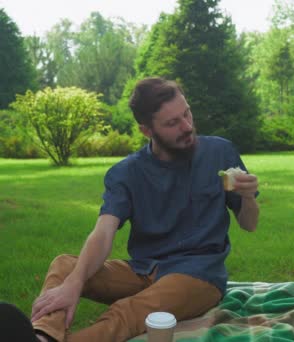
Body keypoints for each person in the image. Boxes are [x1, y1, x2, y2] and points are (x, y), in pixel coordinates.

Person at [26, 77, 260, 342]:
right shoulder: (126, 173)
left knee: (128, 312)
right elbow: (103, 232)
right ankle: (43, 335)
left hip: (198, 275)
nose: (187, 126)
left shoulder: (220, 151)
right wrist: (74, 282)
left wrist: (249, 198)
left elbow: (249, 224)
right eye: (172, 123)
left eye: (187, 113)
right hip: (143, 270)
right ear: (146, 130)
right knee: (65, 266)